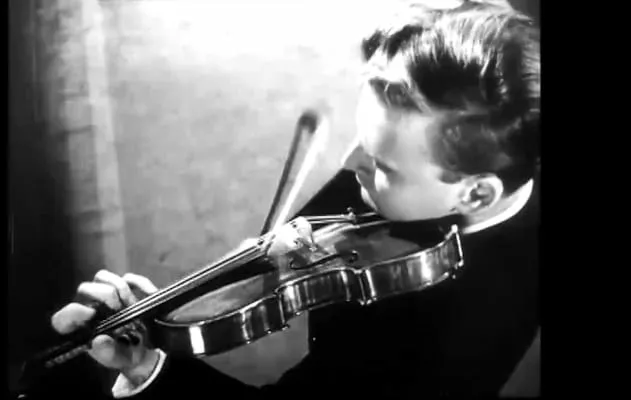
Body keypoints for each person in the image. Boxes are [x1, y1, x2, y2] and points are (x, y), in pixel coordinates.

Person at [43, 1, 540, 398]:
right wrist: (164, 310)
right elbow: (276, 262)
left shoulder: (436, 352)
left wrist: (149, 368)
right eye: (362, 140)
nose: (349, 164)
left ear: (477, 192)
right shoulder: (420, 174)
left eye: (382, 165)